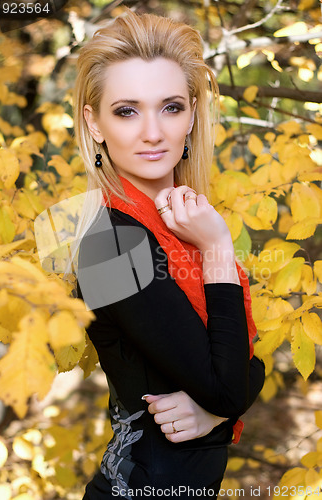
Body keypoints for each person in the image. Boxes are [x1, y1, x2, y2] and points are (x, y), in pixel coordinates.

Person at [73, 9, 265, 499]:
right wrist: (219, 248)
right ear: (94, 123)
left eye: (171, 107)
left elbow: (246, 366)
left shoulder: (185, 221)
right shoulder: (109, 244)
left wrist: (217, 408)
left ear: (193, 115)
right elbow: (231, 385)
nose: (153, 132)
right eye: (127, 110)